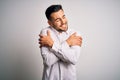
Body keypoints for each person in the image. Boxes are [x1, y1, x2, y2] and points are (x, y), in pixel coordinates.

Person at [38, 4, 82, 80]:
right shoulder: (45, 33)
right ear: (50, 23)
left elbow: (73, 59)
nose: (63, 22)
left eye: (63, 17)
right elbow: (48, 61)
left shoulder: (75, 34)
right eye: (58, 20)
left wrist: (52, 44)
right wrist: (68, 43)